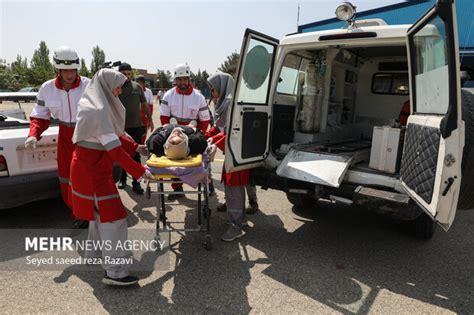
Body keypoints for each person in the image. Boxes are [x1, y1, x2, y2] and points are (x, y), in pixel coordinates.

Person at [70, 68, 153, 286]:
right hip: (92, 174)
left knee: (99, 217)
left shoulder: (98, 104)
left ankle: (95, 256)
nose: (119, 90)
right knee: (114, 219)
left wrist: (137, 147)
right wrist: (140, 171)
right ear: (106, 85)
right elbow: (115, 149)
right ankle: (115, 273)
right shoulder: (97, 111)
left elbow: (116, 134)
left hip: (92, 170)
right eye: (117, 86)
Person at [25, 46, 90, 228]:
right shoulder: (47, 88)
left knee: (88, 175)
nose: (69, 74)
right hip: (65, 136)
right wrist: (33, 134)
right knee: (66, 176)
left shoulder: (89, 85)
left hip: (87, 134)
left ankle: (91, 209)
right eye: (65, 70)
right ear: (58, 70)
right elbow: (39, 116)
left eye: (72, 70)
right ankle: (77, 213)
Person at [206, 72, 254, 242]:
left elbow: (233, 133)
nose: (212, 93)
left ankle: (237, 226)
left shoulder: (232, 104)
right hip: (232, 151)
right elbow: (219, 128)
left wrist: (213, 140)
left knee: (234, 187)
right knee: (231, 185)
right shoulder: (224, 103)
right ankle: (239, 219)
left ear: (221, 87)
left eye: (213, 89)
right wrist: (206, 136)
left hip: (237, 151)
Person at [160, 64, 211, 200]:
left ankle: (207, 182)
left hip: (193, 132)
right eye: (180, 79)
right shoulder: (169, 95)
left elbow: (204, 120)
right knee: (174, 161)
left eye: (185, 79)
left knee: (202, 158)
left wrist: (198, 134)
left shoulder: (198, 96)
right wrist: (171, 133)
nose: (182, 82)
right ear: (175, 80)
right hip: (174, 133)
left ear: (189, 79)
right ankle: (177, 189)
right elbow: (164, 117)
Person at [117, 63, 154, 194]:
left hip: (136, 126)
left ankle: (136, 182)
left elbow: (144, 105)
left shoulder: (137, 87)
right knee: (121, 154)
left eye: (129, 74)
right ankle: (122, 179)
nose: (127, 76)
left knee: (136, 155)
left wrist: (150, 119)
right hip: (120, 128)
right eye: (123, 74)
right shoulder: (115, 87)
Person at [136, 75, 154, 143]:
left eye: (139, 82)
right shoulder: (133, 91)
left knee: (144, 133)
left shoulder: (148, 92)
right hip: (135, 117)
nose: (137, 83)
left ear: (143, 83)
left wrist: (150, 119)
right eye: (136, 82)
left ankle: (142, 144)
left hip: (144, 117)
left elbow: (151, 106)